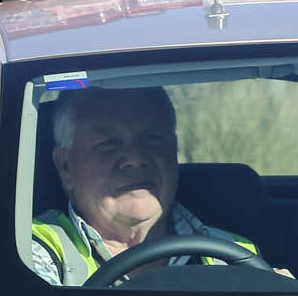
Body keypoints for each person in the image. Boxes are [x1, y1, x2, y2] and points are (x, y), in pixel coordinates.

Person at [24, 86, 256, 285]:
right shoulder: (33, 253)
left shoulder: (234, 254)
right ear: (66, 166)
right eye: (109, 143)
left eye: (152, 139)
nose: (135, 158)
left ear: (173, 152)